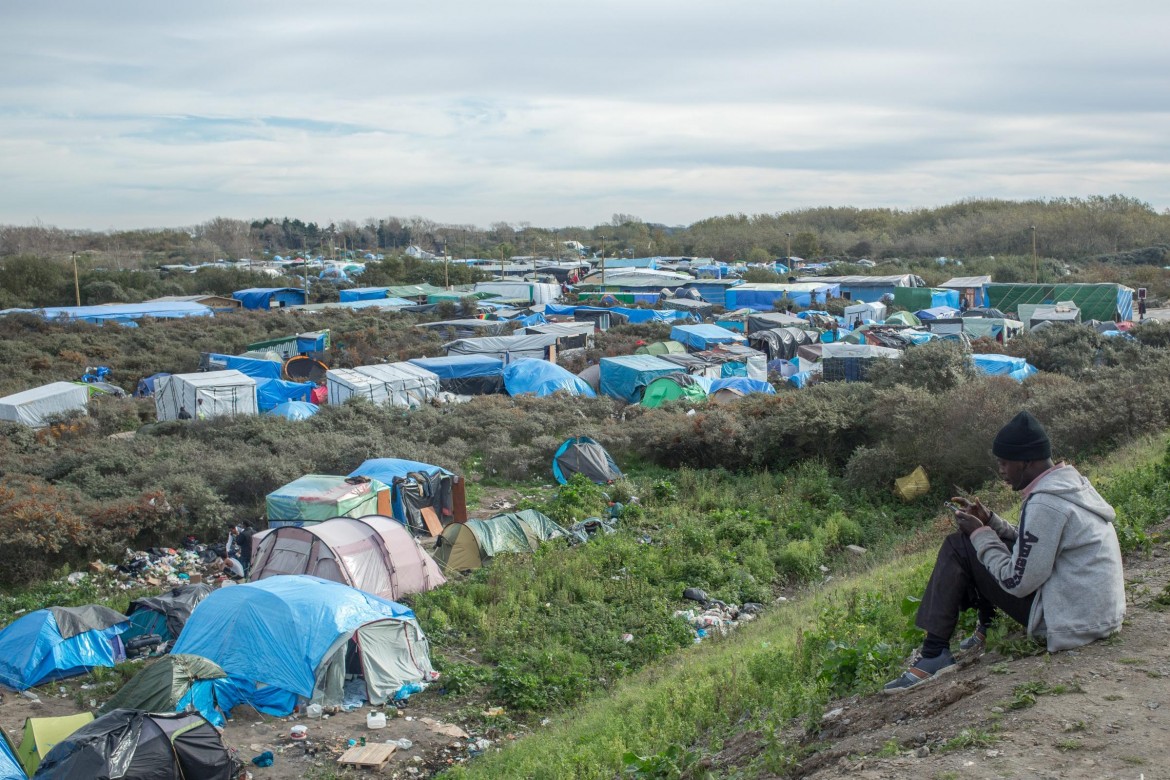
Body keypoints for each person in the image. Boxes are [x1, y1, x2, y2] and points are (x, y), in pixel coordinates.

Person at [884, 411, 1125, 692]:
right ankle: (986, 626)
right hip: (1093, 612)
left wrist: (979, 534)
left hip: (1069, 623)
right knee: (980, 542)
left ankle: (934, 652)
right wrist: (991, 523)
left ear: (1027, 461)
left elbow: (1017, 582)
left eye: (1004, 463)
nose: (1001, 471)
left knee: (960, 545)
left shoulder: (1045, 505)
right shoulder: (1069, 486)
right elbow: (1036, 544)